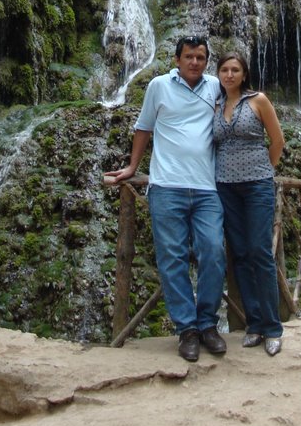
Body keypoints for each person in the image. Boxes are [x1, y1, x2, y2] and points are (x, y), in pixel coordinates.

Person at [109, 35, 227, 363]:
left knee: (213, 251)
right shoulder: (159, 86)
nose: (194, 62)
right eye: (189, 56)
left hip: (207, 189)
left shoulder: (217, 86)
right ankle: (186, 329)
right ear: (177, 59)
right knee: (172, 257)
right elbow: (144, 127)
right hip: (166, 186)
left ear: (206, 61)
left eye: (200, 57)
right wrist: (133, 166)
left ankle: (207, 324)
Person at [214, 50, 286, 356]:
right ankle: (254, 324)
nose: (229, 75)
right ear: (218, 75)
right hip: (225, 187)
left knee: (259, 252)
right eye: (224, 70)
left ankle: (273, 327)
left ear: (244, 74)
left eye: (235, 70)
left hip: (257, 186)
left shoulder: (259, 100)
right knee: (241, 254)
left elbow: (277, 141)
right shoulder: (216, 104)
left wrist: (264, 171)